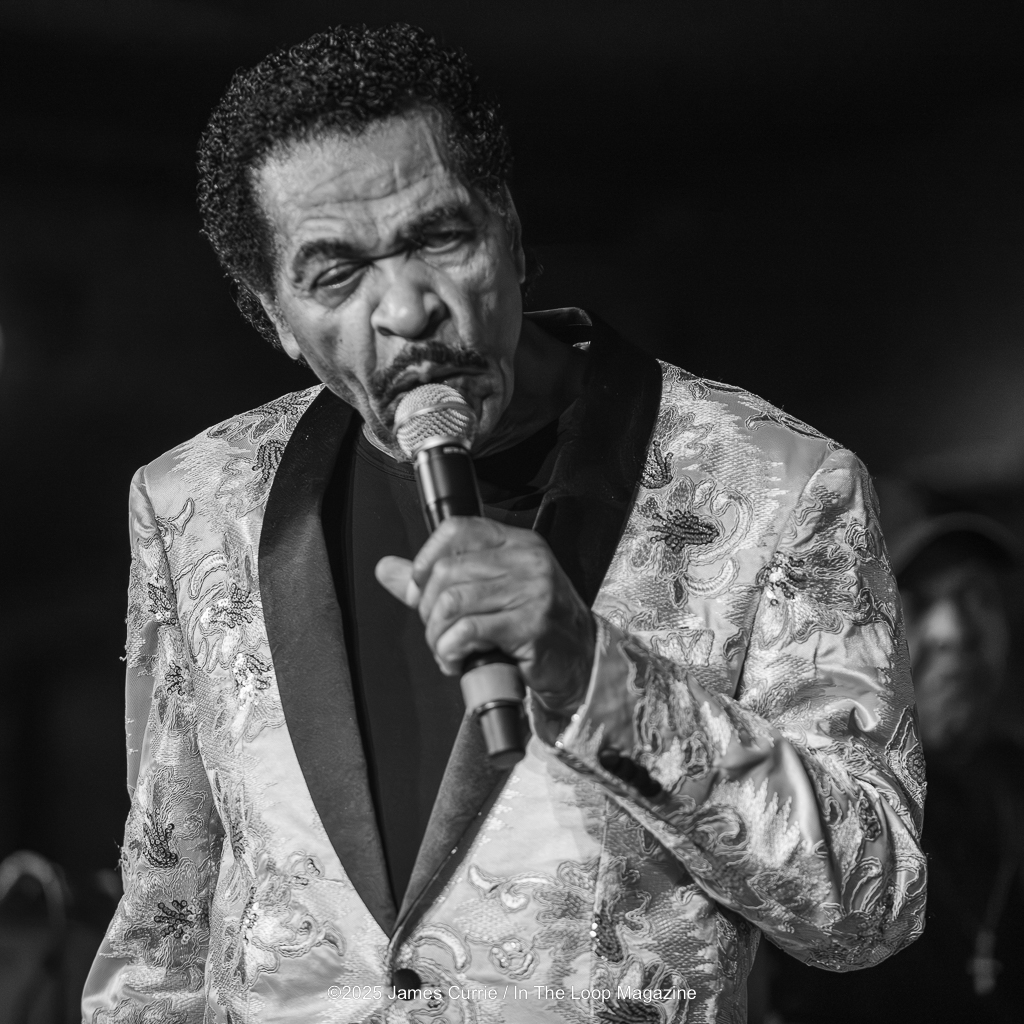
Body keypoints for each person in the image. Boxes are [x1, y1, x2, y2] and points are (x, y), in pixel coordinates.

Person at [82, 24, 925, 1023]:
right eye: (336, 275)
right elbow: (163, 925)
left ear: (511, 234)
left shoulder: (778, 485)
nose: (407, 309)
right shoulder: (194, 501)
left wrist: (597, 674)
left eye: (440, 238)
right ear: (274, 317)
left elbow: (873, 903)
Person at [766, 497, 1024, 1024]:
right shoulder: (817, 800)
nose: (954, 632)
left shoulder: (1012, 781)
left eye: (977, 596)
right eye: (916, 601)